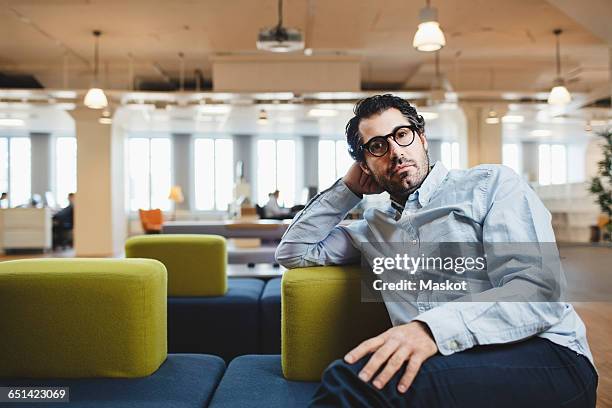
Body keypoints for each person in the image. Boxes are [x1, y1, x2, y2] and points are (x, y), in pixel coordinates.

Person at [275, 94, 597, 407]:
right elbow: (293, 251)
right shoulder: (374, 227)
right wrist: (347, 190)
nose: (396, 153)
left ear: (423, 138)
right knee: (365, 379)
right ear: (366, 165)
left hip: (543, 353)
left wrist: (430, 330)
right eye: (377, 147)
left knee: (354, 383)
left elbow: (537, 292)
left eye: (402, 135)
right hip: (448, 363)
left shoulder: (491, 184)